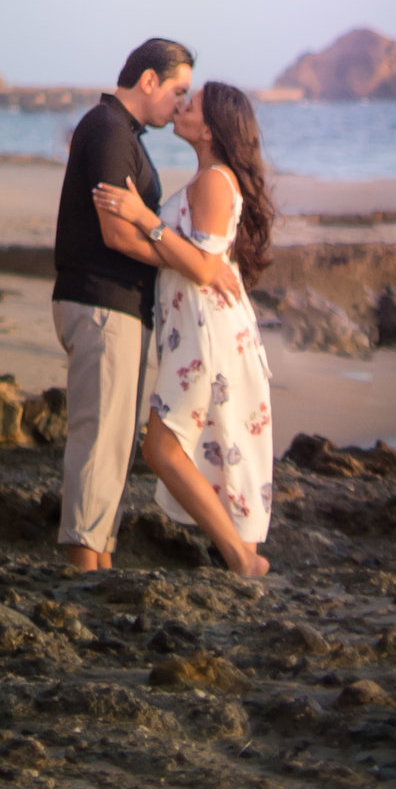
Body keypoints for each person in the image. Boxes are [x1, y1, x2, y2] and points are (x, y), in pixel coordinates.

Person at [50, 36, 234, 570]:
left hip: (116, 305)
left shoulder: (120, 132)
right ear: (148, 80)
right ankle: (84, 568)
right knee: (99, 438)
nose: (181, 103)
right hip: (102, 302)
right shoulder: (108, 130)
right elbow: (116, 233)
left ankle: (98, 562)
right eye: (178, 90)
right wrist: (193, 264)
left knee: (113, 444)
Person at [93, 77, 276, 580]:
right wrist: (146, 230)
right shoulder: (208, 179)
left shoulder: (216, 181)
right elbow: (190, 260)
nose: (180, 106)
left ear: (211, 129)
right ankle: (242, 556)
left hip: (208, 334)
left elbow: (200, 266)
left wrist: (142, 218)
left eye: (190, 104)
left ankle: (241, 559)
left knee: (162, 447)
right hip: (197, 330)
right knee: (223, 443)